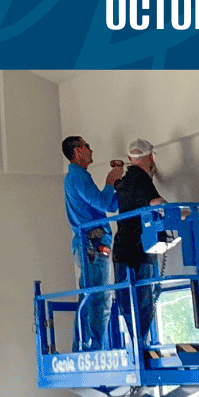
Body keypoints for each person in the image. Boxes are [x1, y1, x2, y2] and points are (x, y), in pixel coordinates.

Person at [61, 135, 123, 351]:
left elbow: (109, 207)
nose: (91, 150)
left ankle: (87, 347)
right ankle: (93, 349)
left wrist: (117, 186)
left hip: (91, 243)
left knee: (93, 297)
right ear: (77, 151)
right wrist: (110, 181)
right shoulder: (78, 176)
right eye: (87, 146)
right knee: (100, 299)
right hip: (93, 244)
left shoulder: (76, 177)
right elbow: (103, 201)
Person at [111, 138, 167, 348]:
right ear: (150, 156)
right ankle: (141, 346)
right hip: (139, 252)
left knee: (127, 302)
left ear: (129, 159)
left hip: (122, 251)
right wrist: (181, 212)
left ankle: (135, 345)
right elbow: (156, 202)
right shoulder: (142, 179)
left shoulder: (123, 182)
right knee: (142, 302)